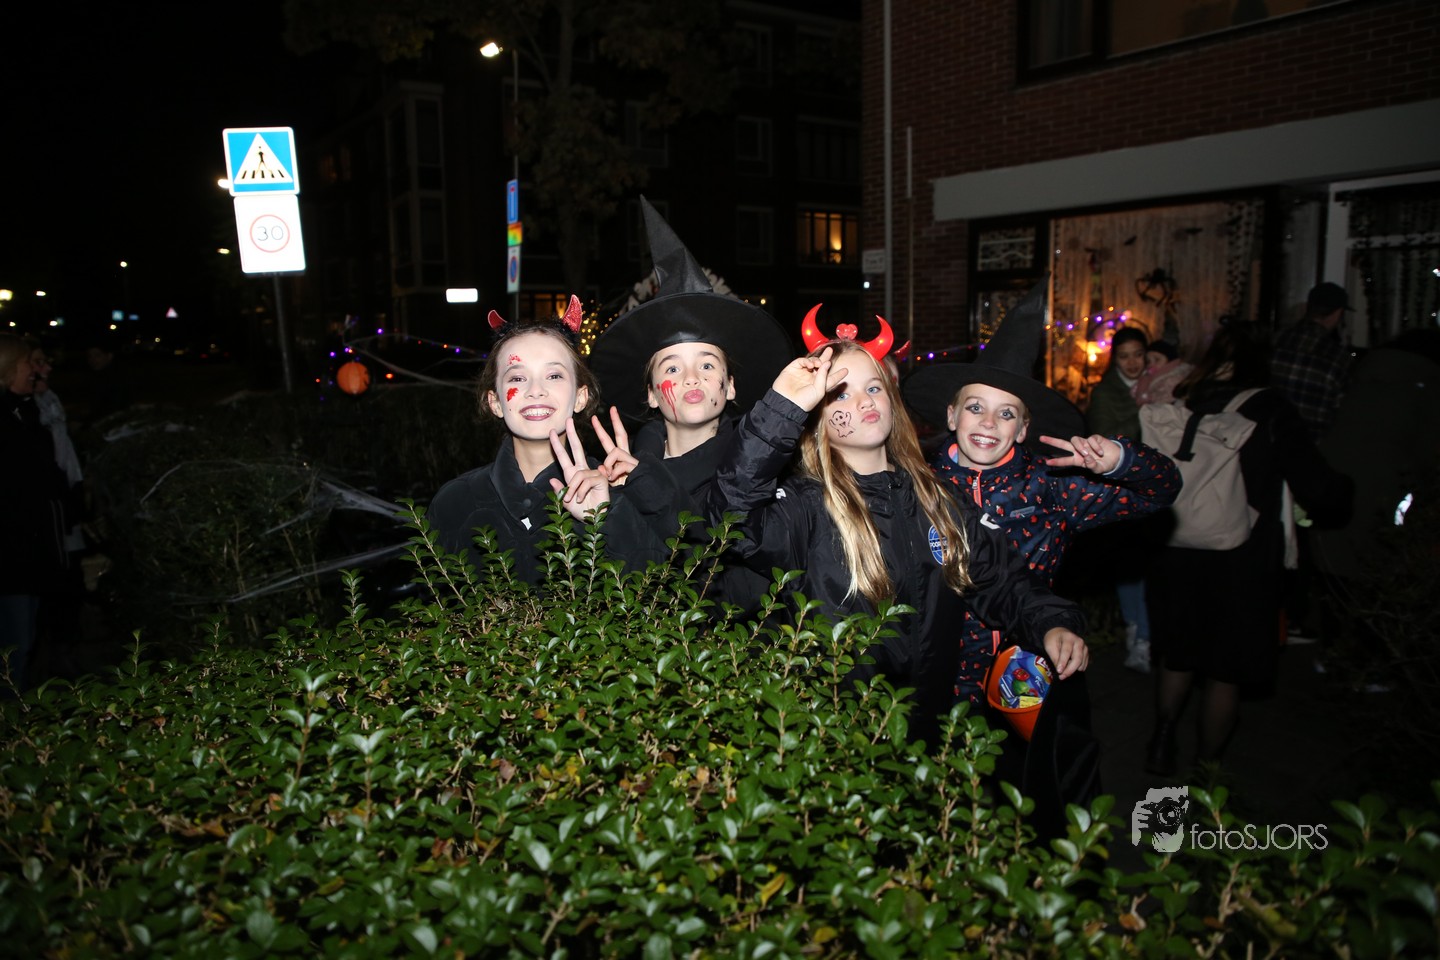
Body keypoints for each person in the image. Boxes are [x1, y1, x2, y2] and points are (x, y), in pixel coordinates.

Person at [707, 326, 1091, 753]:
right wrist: (781, 410)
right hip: (836, 745)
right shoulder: (803, 507)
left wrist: (1052, 622)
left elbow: (1001, 579)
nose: (863, 401)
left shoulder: (939, 499)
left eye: (874, 387)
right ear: (817, 420)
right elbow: (731, 521)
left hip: (928, 736)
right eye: (840, 394)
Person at [904, 285, 1181, 694]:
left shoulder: (1051, 486)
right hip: (935, 679)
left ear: (1023, 429)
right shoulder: (916, 486)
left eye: (1006, 414)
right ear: (951, 415)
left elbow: (1161, 491)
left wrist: (1121, 460)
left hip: (1026, 676)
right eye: (975, 407)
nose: (988, 423)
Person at [1144, 322, 1352, 777]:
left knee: (1178, 652)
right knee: (1225, 670)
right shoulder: (1271, 408)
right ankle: (1207, 773)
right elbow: (1317, 484)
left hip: (1177, 548)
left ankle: (1161, 741)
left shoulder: (1185, 400)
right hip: (1243, 560)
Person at [587, 198, 791, 608]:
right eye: (672, 368)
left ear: (730, 386)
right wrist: (605, 514)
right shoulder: (617, 479)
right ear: (650, 393)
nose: (691, 377)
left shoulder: (762, 480)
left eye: (707, 364)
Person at [426, 298, 655, 586]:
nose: (535, 390)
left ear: (581, 397)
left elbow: (652, 595)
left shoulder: (616, 495)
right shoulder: (454, 503)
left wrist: (606, 521)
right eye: (517, 378)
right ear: (495, 402)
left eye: (554, 375)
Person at [0, 333, 72, 693]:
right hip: (12, 560)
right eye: (28, 362)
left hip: (27, 557)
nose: (35, 369)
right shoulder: (8, 421)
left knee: (21, 643)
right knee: (12, 650)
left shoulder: (23, 412)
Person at [1270, 282, 1354, 442]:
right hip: (1311, 446)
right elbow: (1344, 411)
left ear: (1308, 308)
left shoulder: (1275, 340)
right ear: (1337, 314)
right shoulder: (1338, 358)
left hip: (1267, 441)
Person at [1085, 326, 1147, 439]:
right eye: (1124, 356)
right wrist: (1146, 414)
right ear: (1115, 359)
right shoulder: (1103, 392)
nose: (1132, 362)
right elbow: (1103, 437)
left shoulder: (1158, 383)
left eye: (1138, 354)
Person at [1133, 339, 1193, 407]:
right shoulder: (1149, 378)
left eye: (1157, 360)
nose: (1151, 365)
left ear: (1170, 361)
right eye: (1148, 361)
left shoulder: (1174, 378)